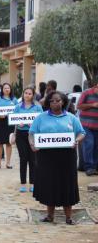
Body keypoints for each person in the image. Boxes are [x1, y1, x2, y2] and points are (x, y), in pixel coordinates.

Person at [29, 91, 85, 225]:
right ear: (48, 102)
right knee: (50, 184)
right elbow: (31, 133)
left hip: (67, 157)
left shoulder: (71, 118)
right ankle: (50, 215)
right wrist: (32, 143)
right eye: (52, 101)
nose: (55, 103)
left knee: (67, 184)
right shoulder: (41, 118)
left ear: (63, 102)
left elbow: (82, 133)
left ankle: (69, 217)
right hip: (46, 157)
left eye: (58, 100)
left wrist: (77, 141)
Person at [13, 87, 43, 192]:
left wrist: (34, 125)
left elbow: (41, 121)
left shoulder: (38, 108)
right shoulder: (17, 107)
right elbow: (13, 120)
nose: (27, 95)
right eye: (26, 93)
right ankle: (23, 184)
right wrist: (18, 122)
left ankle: (33, 184)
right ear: (23, 94)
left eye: (30, 93)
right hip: (21, 134)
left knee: (33, 159)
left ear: (33, 95)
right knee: (23, 158)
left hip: (33, 135)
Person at [0, 83, 17, 169]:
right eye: (5, 88)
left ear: (10, 89)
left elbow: (17, 110)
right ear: (2, 89)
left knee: (9, 143)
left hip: (10, 123)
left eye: (8, 88)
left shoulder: (14, 99)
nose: (7, 89)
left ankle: (8, 163)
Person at [77, 83, 98, 176]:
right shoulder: (86, 93)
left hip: (96, 125)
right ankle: (88, 167)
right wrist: (93, 105)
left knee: (96, 146)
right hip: (85, 124)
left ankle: (94, 167)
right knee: (89, 144)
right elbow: (79, 106)